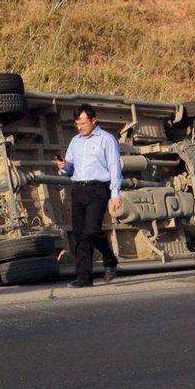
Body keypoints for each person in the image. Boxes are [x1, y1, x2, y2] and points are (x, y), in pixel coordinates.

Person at [56, 103, 122, 288]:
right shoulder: (75, 141)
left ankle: (110, 259)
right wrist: (63, 167)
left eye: (83, 123)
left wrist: (115, 193)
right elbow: (70, 168)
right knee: (79, 234)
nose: (79, 127)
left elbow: (115, 167)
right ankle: (84, 278)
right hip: (78, 189)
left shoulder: (107, 139)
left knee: (92, 230)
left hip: (98, 189)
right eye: (77, 124)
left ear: (94, 120)